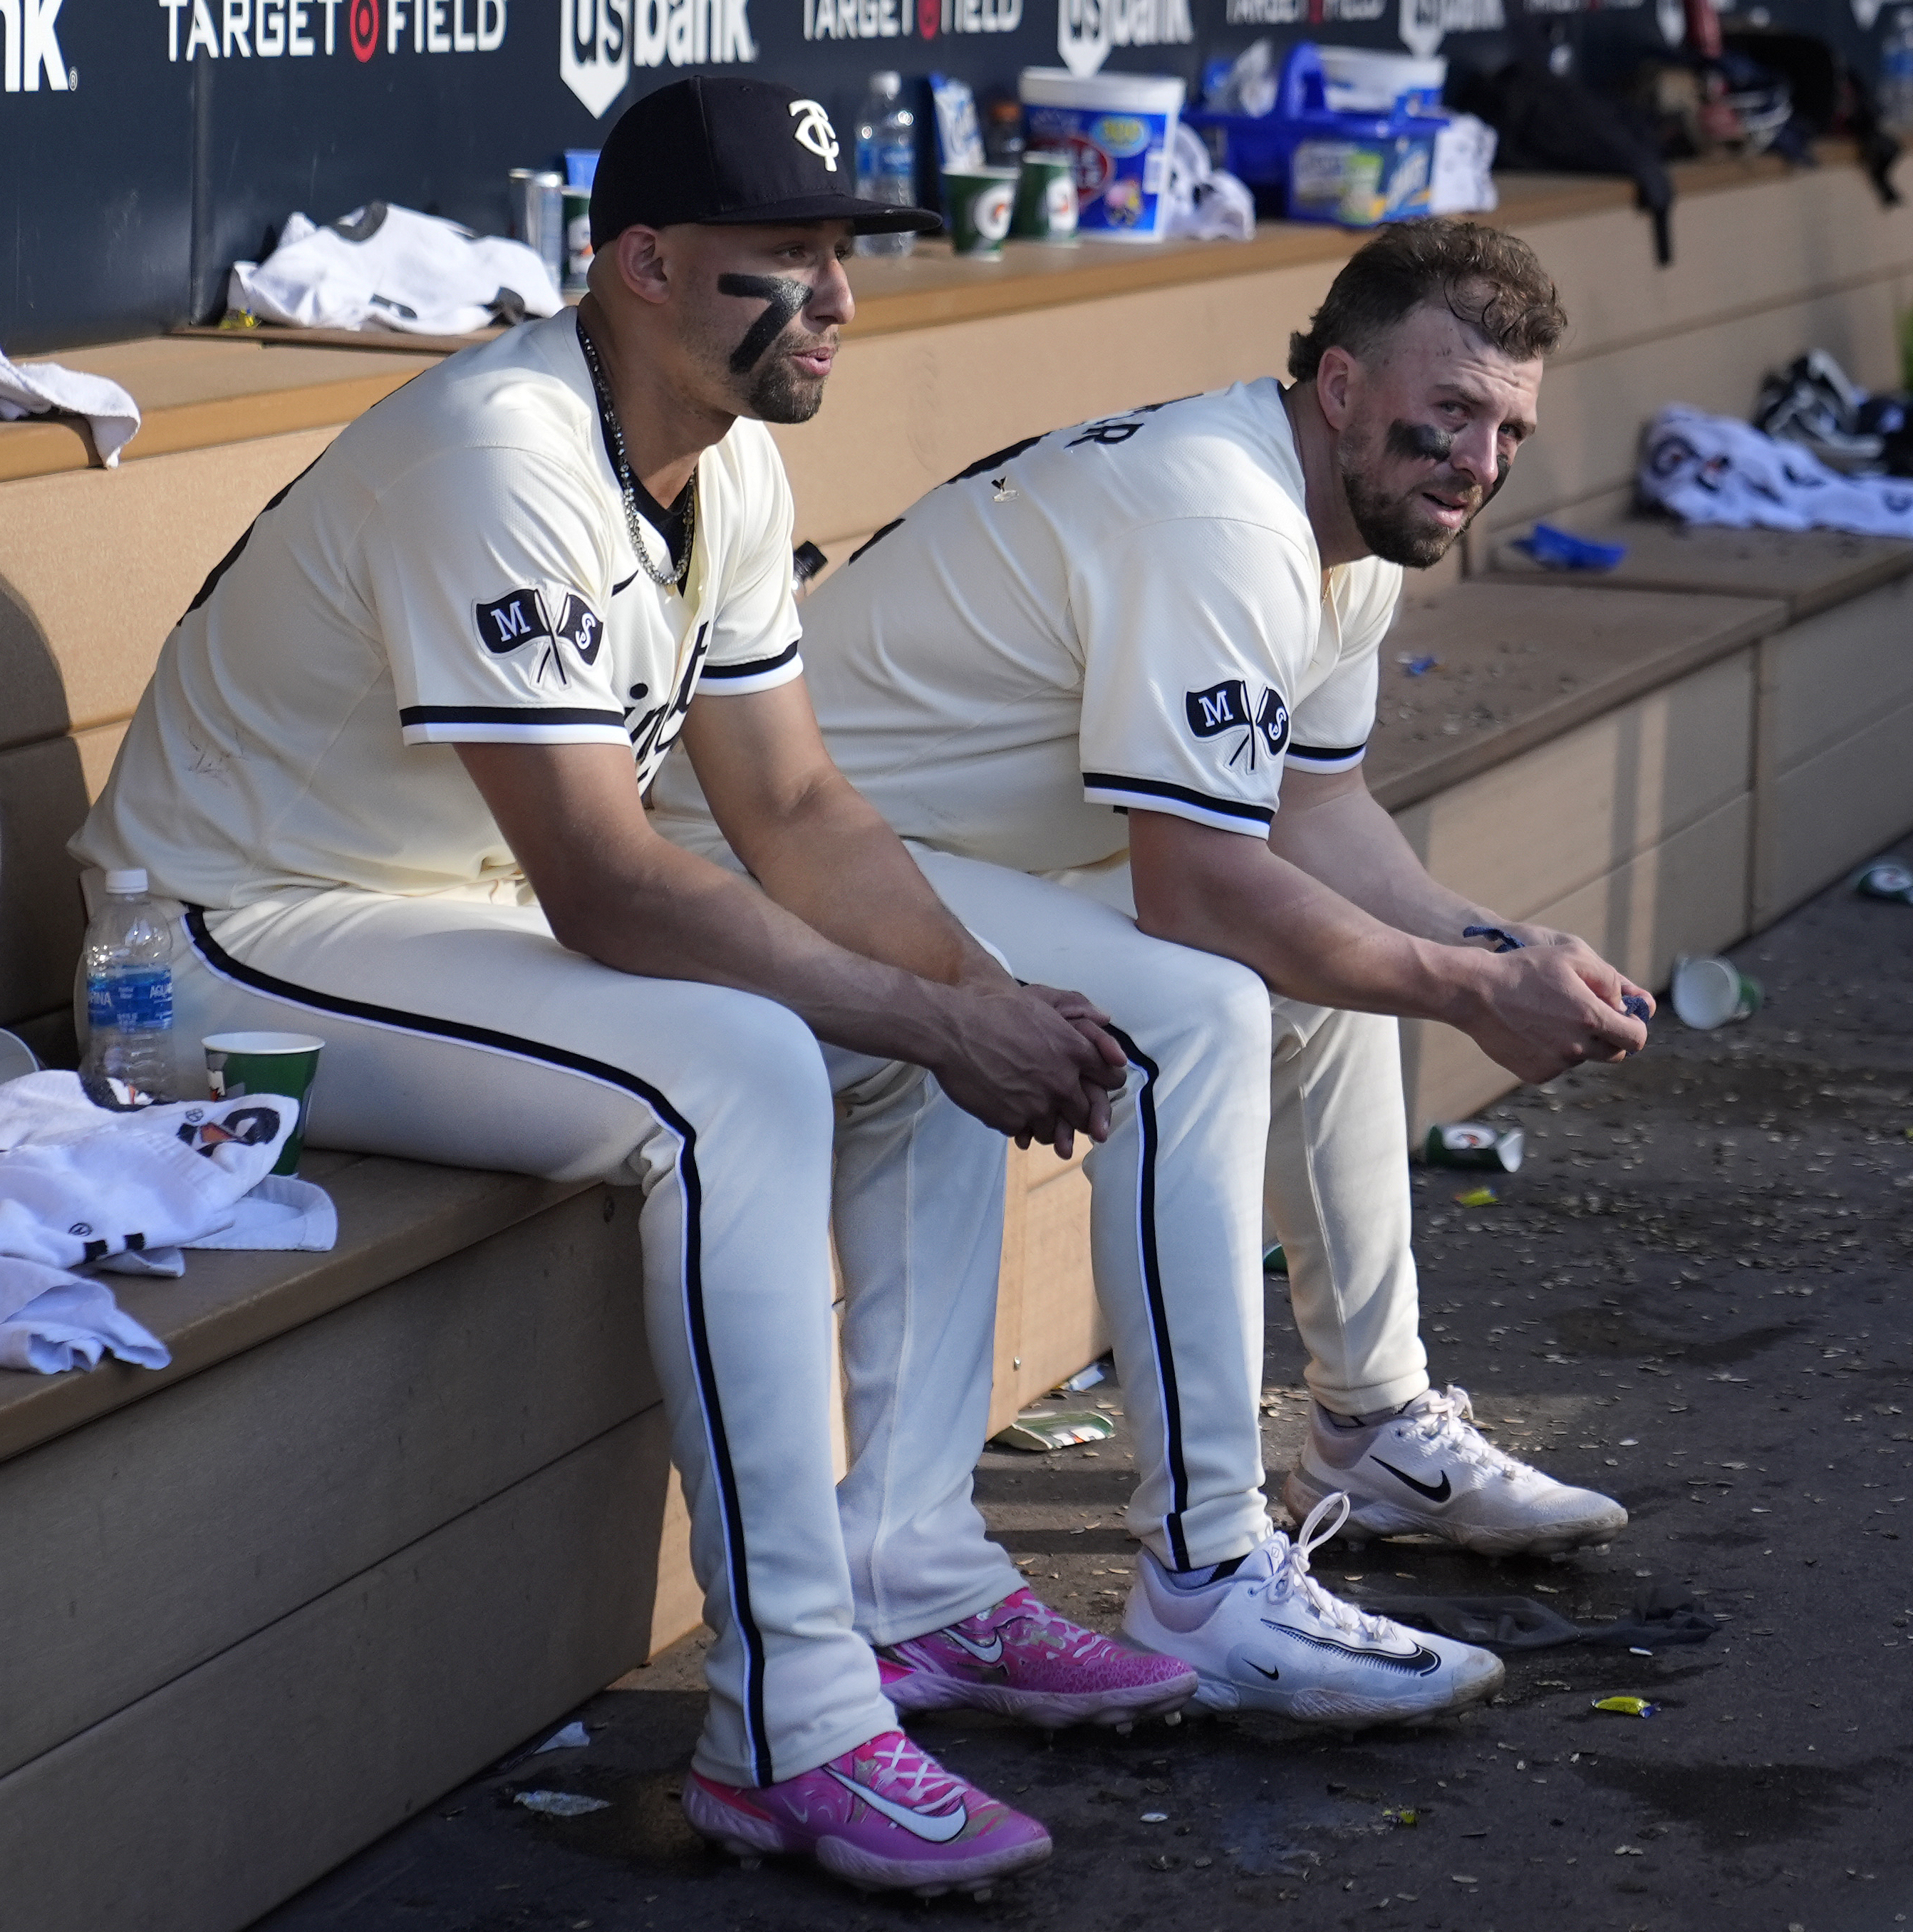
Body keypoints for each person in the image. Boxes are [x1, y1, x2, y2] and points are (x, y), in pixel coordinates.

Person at [71, 77, 1179, 1899]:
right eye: (787, 263)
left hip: (418, 919)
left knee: (896, 1050)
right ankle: (794, 1729)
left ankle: (904, 1568)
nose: (834, 300)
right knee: (742, 1068)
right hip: (206, 958)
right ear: (644, 262)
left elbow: (798, 807)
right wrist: (928, 1010)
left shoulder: (723, 451)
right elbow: (602, 882)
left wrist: (980, 1001)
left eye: (842, 260)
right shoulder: (501, 450)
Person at [653, 219, 1645, 1719]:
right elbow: (1199, 893)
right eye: (1446, 411)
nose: (1475, 454)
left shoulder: (1346, 532)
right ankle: (1204, 1569)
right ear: (1336, 382)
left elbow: (1315, 816)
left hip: (955, 851)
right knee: (1204, 1003)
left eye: (1507, 425)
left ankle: (1370, 1419)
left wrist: (1489, 946)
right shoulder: (1223, 518)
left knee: (1342, 967)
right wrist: (1461, 987)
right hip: (767, 852)